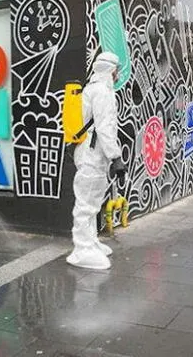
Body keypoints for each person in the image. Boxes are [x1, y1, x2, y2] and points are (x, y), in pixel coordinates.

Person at [68, 52, 126, 270]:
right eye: (116, 70)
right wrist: (116, 157)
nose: (118, 74)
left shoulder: (96, 89)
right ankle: (81, 249)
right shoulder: (101, 92)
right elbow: (104, 128)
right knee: (86, 203)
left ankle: (90, 242)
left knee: (92, 201)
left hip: (94, 154)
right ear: (110, 70)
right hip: (92, 155)